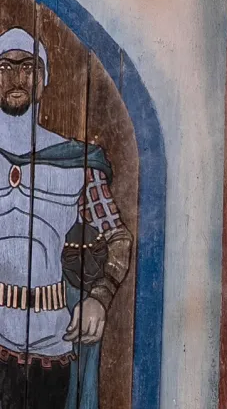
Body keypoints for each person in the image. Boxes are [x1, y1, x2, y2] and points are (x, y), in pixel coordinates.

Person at [0, 26, 130, 408]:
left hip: (52, 338)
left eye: (28, 67)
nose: (16, 78)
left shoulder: (76, 162)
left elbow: (116, 237)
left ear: (43, 79)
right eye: (4, 67)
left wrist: (99, 299)